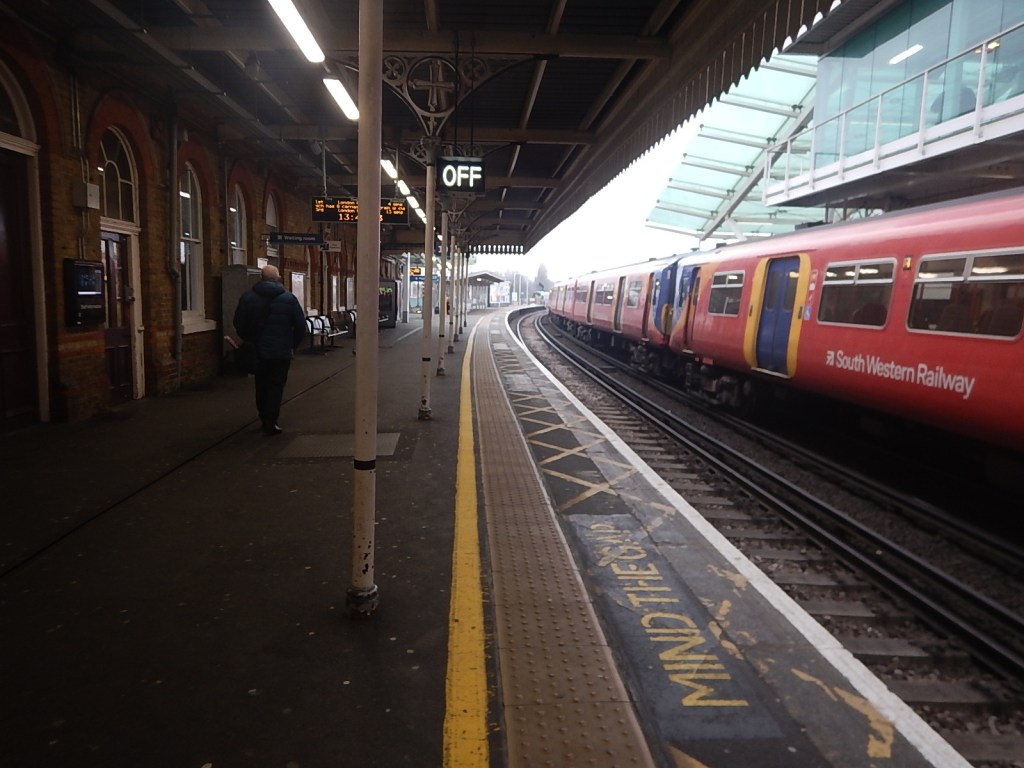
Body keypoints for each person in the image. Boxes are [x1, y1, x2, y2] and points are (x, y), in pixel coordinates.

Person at [233, 264, 306, 435]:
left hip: (258, 351)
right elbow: (301, 326)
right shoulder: (289, 299)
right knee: (276, 385)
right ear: (278, 278)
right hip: (281, 352)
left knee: (261, 384)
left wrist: (250, 340)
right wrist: (292, 345)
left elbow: (238, 323)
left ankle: (263, 415)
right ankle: (271, 421)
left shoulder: (248, 298)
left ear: (261, 278)